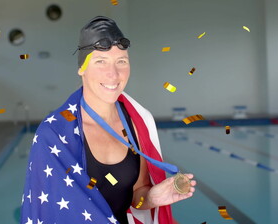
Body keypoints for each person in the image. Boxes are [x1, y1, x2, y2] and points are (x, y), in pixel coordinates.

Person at [20, 16, 196, 224]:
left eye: (121, 61)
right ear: (82, 68)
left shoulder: (137, 123)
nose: (113, 74)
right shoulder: (54, 134)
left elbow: (135, 197)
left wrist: (151, 198)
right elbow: (50, 213)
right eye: (100, 61)